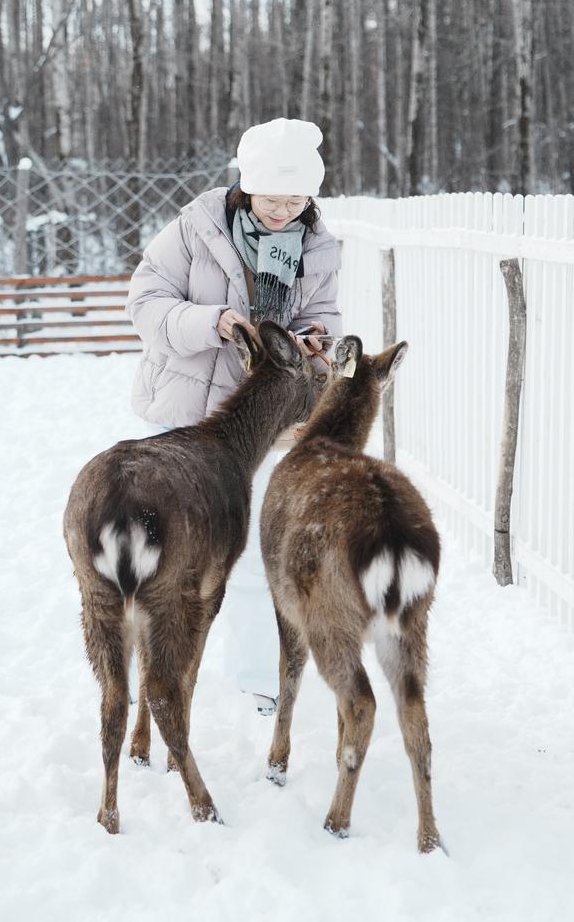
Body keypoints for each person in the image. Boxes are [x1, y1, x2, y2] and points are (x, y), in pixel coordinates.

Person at [126, 118, 342, 712]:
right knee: (170, 550)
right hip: (188, 417)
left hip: (267, 423)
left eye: (295, 200)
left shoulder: (318, 246)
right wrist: (212, 321)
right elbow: (145, 302)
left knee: (252, 554)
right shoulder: (195, 230)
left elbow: (324, 312)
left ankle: (257, 684)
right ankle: (160, 675)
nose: (281, 211)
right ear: (247, 187)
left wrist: (313, 339)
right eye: (271, 198)